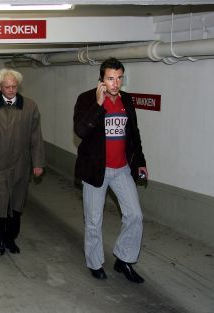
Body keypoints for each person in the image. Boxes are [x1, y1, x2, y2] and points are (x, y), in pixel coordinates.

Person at [73, 57, 148, 283]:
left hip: (122, 168)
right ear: (101, 79)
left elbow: (134, 133)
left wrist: (141, 161)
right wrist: (98, 104)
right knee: (94, 220)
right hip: (96, 171)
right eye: (110, 78)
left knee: (135, 215)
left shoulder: (126, 100)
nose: (115, 83)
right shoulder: (86, 99)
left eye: (119, 78)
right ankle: (95, 263)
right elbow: (80, 131)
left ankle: (123, 259)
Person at [0, 68, 45, 256]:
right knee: (0, 205)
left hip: (20, 165)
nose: (11, 90)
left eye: (14, 86)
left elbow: (35, 137)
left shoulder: (29, 107)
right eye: (7, 87)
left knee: (16, 206)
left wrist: (37, 162)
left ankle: (11, 238)